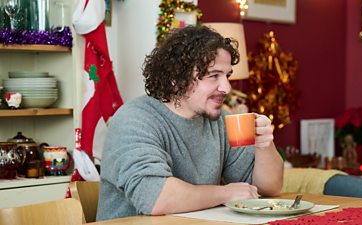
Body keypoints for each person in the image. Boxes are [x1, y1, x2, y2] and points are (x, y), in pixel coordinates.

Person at [96, 25, 284, 221]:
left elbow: (269, 188)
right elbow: (156, 198)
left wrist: (264, 145)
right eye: (214, 76)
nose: (226, 87)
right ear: (176, 79)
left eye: (227, 76)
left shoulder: (221, 120)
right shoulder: (134, 119)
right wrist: (226, 193)